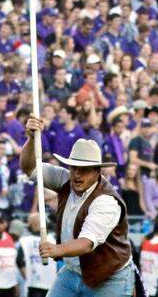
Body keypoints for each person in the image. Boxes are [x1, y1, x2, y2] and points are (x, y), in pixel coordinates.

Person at [20, 115, 135, 297]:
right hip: (73, 271)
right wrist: (32, 139)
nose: (77, 174)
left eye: (84, 169)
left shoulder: (106, 201)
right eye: (74, 167)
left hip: (109, 278)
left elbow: (87, 243)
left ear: (97, 171)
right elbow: (29, 167)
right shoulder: (65, 179)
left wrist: (56, 249)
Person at [16, 213, 56, 297]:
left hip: (34, 284)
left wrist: (28, 277)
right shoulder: (53, 239)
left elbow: (19, 261)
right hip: (51, 283)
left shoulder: (25, 241)